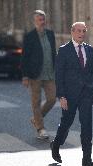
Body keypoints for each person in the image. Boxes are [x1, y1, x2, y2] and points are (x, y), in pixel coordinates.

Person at [50, 22, 93, 166]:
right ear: (72, 32)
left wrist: (92, 89)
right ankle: (56, 145)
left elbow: (92, 72)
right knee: (66, 123)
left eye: (84, 31)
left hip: (86, 94)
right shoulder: (64, 50)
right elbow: (59, 75)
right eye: (78, 31)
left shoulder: (90, 50)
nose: (81, 34)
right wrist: (61, 96)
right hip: (69, 95)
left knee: (87, 125)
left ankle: (87, 159)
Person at [21, 10, 56, 139]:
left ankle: (36, 118)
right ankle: (41, 129)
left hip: (49, 73)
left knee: (52, 99)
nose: (42, 22)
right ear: (35, 21)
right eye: (40, 20)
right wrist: (25, 76)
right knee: (36, 102)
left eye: (43, 19)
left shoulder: (51, 35)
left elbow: (53, 53)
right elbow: (24, 57)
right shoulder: (29, 36)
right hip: (34, 74)